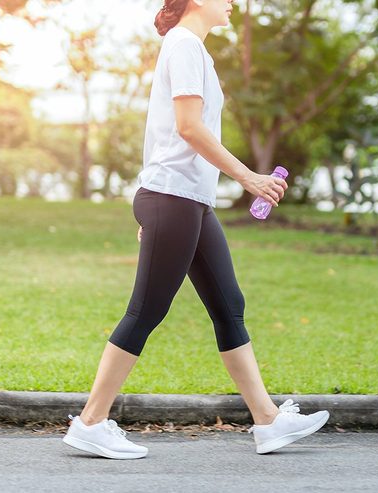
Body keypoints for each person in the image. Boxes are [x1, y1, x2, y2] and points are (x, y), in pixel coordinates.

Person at [62, 0, 329, 459]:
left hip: (188, 202)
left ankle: (267, 421)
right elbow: (188, 128)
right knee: (145, 311)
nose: (231, 3)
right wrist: (249, 178)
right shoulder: (183, 44)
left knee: (229, 305)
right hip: (174, 198)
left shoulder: (194, 50)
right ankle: (91, 421)